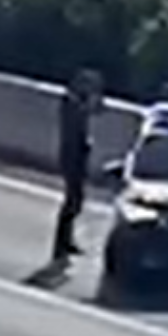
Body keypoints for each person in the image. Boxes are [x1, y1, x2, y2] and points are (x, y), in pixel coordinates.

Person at [53, 69, 104, 261]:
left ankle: (66, 241)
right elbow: (82, 115)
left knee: (76, 199)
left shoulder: (77, 102)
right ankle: (61, 243)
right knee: (72, 200)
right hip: (71, 155)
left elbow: (98, 111)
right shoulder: (69, 102)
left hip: (78, 154)